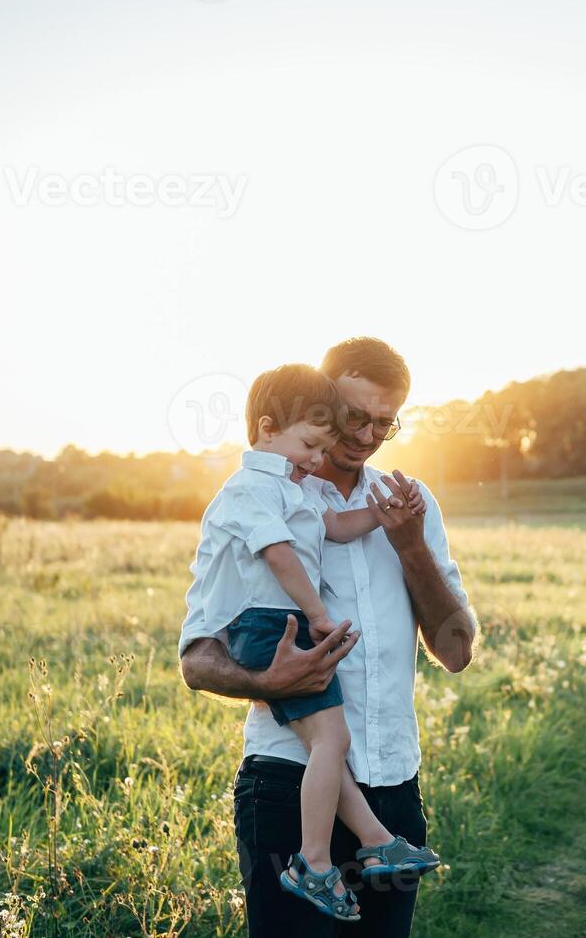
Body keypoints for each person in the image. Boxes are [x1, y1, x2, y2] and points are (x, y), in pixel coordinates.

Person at [180, 338, 476, 937]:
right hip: (285, 788)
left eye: (384, 424)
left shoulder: (409, 505)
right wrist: (265, 681)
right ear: (320, 400)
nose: (366, 437)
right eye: (353, 417)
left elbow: (456, 651)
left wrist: (411, 544)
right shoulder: (264, 496)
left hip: (392, 791)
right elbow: (197, 657)